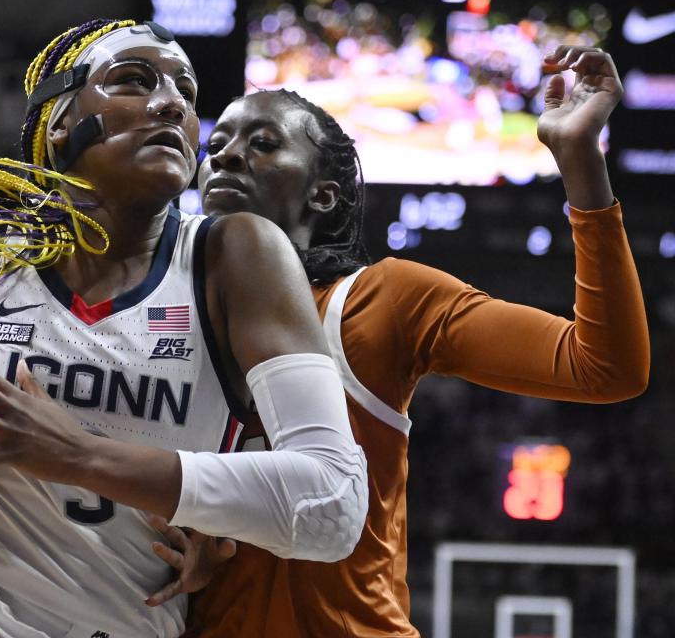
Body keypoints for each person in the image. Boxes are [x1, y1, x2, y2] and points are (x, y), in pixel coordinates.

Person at [0, 19, 370, 638]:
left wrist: (87, 459)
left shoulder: (237, 255)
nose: (170, 103)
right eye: (133, 82)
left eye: (186, 94)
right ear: (59, 122)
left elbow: (333, 503)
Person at [172, 45, 650, 637]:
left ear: (324, 194)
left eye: (263, 144)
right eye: (215, 146)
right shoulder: (164, 310)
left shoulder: (384, 299)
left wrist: (580, 159)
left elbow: (605, 366)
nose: (226, 158)